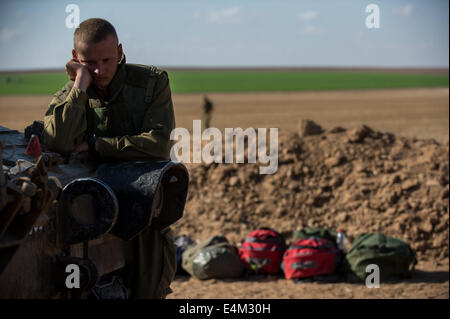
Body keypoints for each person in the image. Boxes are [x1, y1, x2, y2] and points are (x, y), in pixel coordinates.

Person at [42, 18, 176, 299]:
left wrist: (97, 145)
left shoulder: (151, 83)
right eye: (89, 63)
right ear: (75, 59)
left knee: (148, 291)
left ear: (120, 51)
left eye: (107, 59)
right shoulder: (74, 94)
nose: (100, 70)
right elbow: (58, 141)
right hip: (89, 209)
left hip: (141, 202)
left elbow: (159, 144)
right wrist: (80, 84)